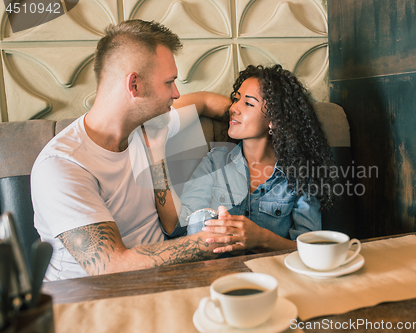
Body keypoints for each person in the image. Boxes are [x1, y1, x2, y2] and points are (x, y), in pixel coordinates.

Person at [31, 20, 230, 280]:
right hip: (90, 298)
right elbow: (110, 265)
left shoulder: (150, 125)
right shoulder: (61, 166)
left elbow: (204, 101)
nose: (177, 93)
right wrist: (210, 240)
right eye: (169, 82)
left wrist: (274, 122)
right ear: (134, 85)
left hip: (159, 281)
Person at [164, 65, 336, 254]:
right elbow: (185, 223)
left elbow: (311, 249)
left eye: (248, 103)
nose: (233, 108)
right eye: (236, 99)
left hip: (274, 275)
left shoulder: (299, 174)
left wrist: (262, 238)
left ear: (274, 120)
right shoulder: (216, 161)